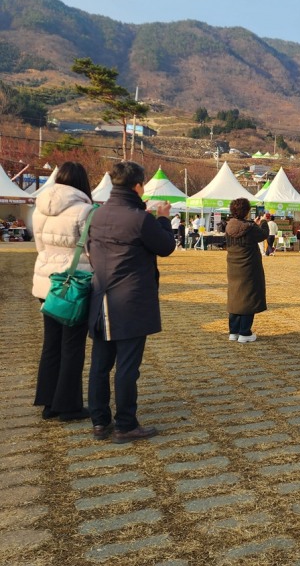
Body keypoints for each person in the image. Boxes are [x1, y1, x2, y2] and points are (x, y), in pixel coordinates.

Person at [87, 161, 176, 444]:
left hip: (100, 297)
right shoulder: (140, 219)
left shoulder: (97, 215)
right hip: (130, 302)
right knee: (127, 366)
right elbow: (166, 247)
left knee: (100, 365)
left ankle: (100, 422)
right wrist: (162, 218)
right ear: (138, 186)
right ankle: (125, 424)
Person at [32, 162, 94, 422]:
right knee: (72, 346)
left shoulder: (39, 209)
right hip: (74, 286)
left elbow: (39, 246)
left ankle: (48, 402)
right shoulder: (86, 210)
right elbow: (91, 252)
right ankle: (68, 405)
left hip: (46, 283)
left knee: (51, 345)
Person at [225, 198, 269, 342]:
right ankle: (245, 332)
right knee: (248, 298)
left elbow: (242, 230)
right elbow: (263, 234)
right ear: (246, 211)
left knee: (235, 297)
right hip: (249, 267)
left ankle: (234, 331)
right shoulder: (249, 228)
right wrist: (263, 221)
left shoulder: (229, 226)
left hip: (233, 267)